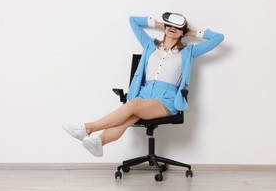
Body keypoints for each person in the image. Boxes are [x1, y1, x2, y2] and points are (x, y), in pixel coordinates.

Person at [62, 13, 224, 157]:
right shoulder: (150, 45)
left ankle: (87, 128)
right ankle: (99, 143)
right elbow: (133, 21)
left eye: (177, 27)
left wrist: (192, 33)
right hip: (145, 94)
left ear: (183, 32)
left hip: (166, 99)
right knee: (127, 119)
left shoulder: (188, 52)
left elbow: (218, 38)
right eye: (169, 25)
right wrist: (161, 25)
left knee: (134, 104)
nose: (172, 28)